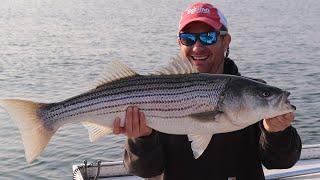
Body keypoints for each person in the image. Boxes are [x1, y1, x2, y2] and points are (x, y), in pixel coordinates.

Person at [113, 2, 302, 180]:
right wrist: (142, 138)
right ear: (180, 43)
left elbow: (282, 162)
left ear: (225, 41)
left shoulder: (252, 93)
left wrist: (276, 133)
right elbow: (144, 170)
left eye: (208, 36)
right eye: (188, 39)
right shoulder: (154, 94)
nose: (197, 47)